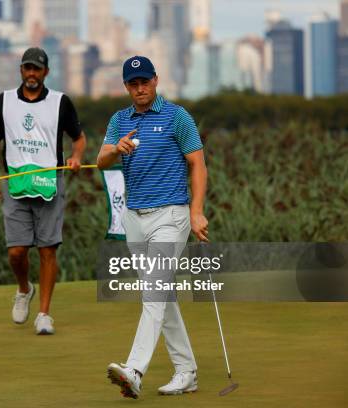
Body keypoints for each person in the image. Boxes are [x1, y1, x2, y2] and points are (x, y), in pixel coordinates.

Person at [97, 56, 208, 398]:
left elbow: (198, 164)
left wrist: (197, 211)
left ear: (156, 80)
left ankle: (134, 370)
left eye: (145, 81)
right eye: (133, 83)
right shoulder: (120, 120)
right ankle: (186, 371)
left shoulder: (177, 116)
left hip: (171, 216)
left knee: (153, 293)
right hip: (135, 218)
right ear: (127, 87)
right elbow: (101, 161)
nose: (140, 88)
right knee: (162, 296)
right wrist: (116, 149)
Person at [0, 47, 86, 335]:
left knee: (47, 250)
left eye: (36, 69)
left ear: (46, 72)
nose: (31, 74)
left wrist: (76, 157)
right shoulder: (3, 102)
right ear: (21, 71)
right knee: (16, 252)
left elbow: (79, 139)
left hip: (50, 184)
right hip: (15, 184)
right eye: (27, 68)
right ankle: (23, 288)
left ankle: (44, 314)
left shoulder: (60, 102)